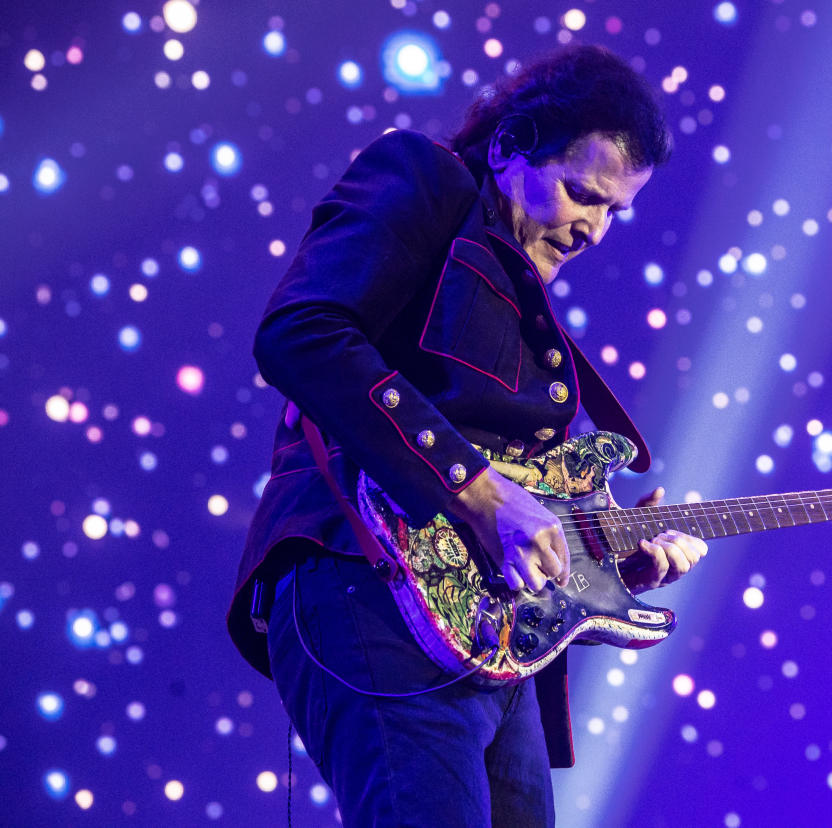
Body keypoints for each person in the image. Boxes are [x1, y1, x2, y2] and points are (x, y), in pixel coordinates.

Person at [226, 44, 707, 826]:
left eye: (613, 210)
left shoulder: (526, 304)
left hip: (489, 640)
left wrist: (604, 560)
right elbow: (302, 331)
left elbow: (525, 504)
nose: (591, 229)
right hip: (364, 576)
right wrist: (474, 487)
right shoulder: (425, 177)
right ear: (513, 145)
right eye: (580, 192)